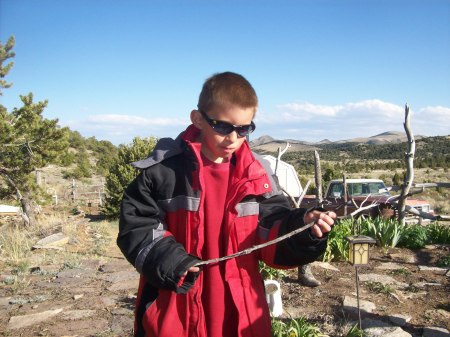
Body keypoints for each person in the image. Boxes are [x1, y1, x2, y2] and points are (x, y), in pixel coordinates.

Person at [117, 72, 336, 337]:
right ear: (197, 119)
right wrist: (172, 261)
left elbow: (271, 228)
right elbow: (137, 226)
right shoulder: (163, 172)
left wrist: (302, 226)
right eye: (223, 126)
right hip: (177, 302)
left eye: (244, 129)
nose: (233, 137)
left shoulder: (258, 174)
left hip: (240, 308)